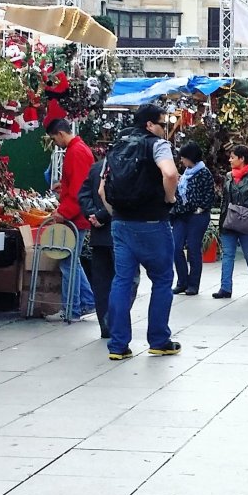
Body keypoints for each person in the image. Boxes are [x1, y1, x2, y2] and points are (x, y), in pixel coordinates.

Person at [99, 103, 181, 361]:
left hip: (121, 224)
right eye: (161, 124)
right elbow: (170, 173)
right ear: (149, 125)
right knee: (163, 279)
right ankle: (158, 340)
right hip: (152, 223)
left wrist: (116, 214)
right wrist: (169, 198)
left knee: (122, 281)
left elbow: (102, 190)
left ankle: (118, 345)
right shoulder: (156, 144)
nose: (164, 129)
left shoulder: (117, 144)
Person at [44, 118, 97, 322]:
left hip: (75, 216)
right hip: (77, 214)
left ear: (60, 134)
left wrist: (62, 213)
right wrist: (62, 187)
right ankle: (86, 302)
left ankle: (71, 309)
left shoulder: (76, 152)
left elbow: (78, 191)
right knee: (72, 261)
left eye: (53, 139)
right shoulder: (79, 150)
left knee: (68, 263)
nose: (55, 143)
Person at [213, 144, 248, 298]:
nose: (230, 160)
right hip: (229, 220)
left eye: (233, 157)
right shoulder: (229, 176)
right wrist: (221, 221)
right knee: (227, 255)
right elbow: (224, 200)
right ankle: (225, 288)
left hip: (246, 221)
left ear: (242, 159)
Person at [170, 140, 215, 296]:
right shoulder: (184, 175)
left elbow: (209, 196)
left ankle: (193, 284)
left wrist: (200, 208)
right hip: (180, 215)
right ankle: (182, 281)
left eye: (184, 157)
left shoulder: (203, 173)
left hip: (197, 216)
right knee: (176, 247)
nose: (181, 161)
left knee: (193, 248)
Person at [77, 157, 114, 340]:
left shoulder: (96, 167)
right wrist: (100, 216)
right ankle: (115, 322)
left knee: (102, 283)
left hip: (99, 236)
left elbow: (82, 194)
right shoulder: (126, 165)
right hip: (118, 233)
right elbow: (121, 199)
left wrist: (92, 215)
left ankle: (105, 325)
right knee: (125, 281)